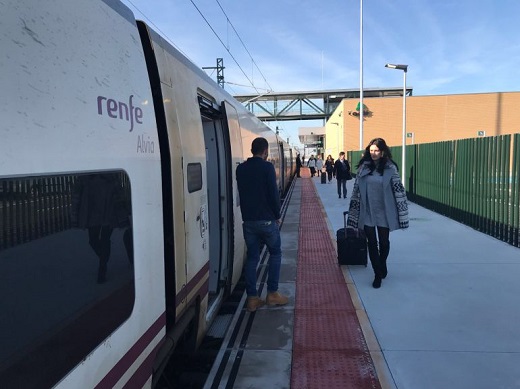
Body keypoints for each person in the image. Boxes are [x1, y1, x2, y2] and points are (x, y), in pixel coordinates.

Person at [347, 138, 409, 289]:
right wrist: (354, 209)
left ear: (382, 151)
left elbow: (398, 190)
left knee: (384, 242)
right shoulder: (363, 167)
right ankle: (377, 274)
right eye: (371, 150)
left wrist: (401, 209)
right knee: (372, 243)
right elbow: (356, 190)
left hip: (384, 210)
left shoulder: (390, 168)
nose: (373, 153)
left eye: (376, 151)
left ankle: (382, 263)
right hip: (367, 209)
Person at [236, 137, 289, 312]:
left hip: (249, 222)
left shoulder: (240, 169)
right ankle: (272, 293)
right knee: (275, 254)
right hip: (266, 220)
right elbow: (273, 194)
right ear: (265, 151)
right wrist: (277, 215)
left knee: (252, 258)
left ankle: (252, 299)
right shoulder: (267, 167)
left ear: (252, 150)